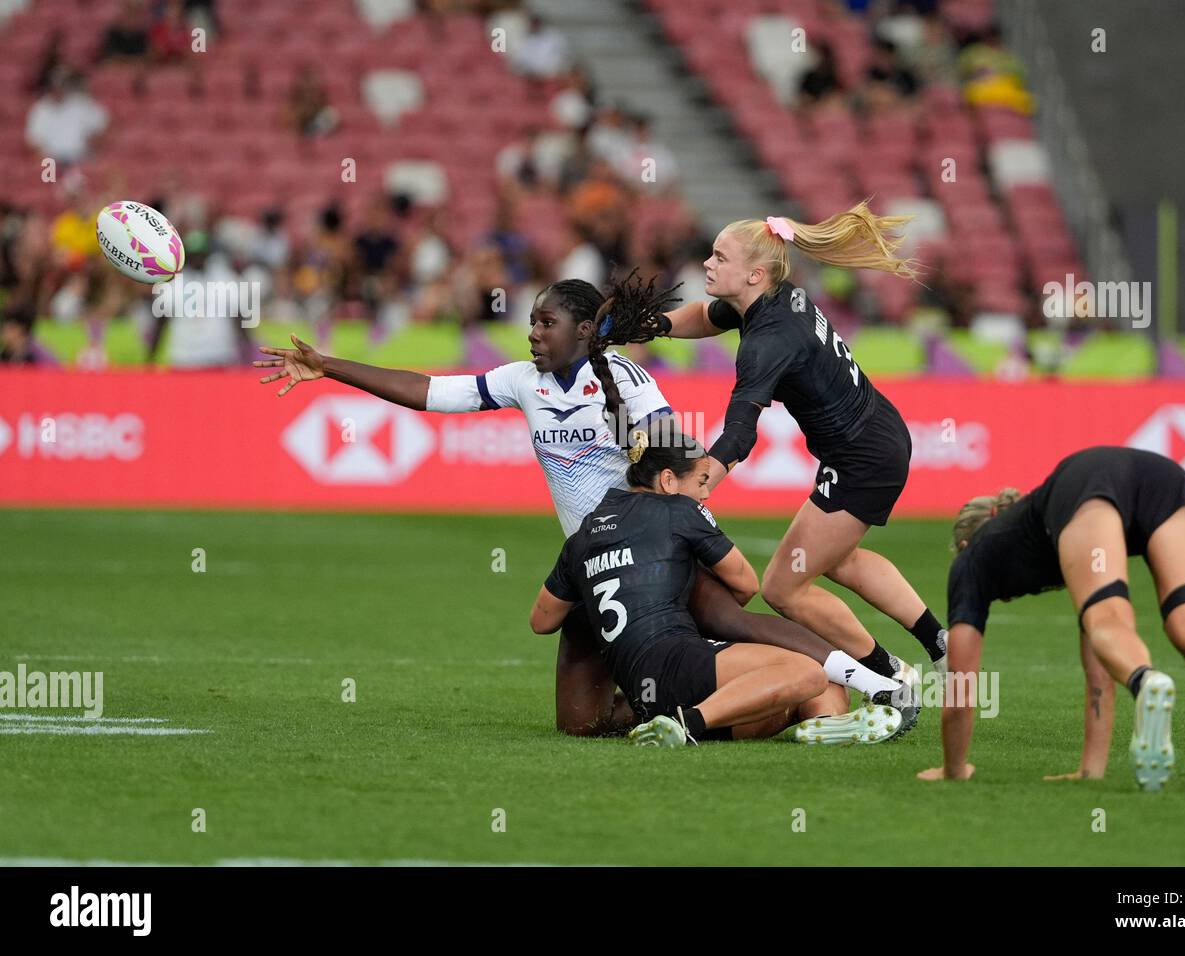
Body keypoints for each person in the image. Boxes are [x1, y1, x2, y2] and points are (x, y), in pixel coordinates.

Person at [254, 276, 900, 736]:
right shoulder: (519, 381)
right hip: (593, 558)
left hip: (657, 545)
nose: (533, 333)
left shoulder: (627, 381)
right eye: (532, 321)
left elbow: (682, 461)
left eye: (546, 322)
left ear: (586, 330)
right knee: (581, 722)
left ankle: (877, 685)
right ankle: (731, 709)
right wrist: (329, 365)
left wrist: (677, 513)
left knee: (735, 619)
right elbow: (430, 392)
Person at [595, 203, 948, 733]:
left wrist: (691, 492)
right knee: (840, 560)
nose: (707, 265)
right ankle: (939, 643)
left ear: (754, 273)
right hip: (875, 437)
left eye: (719, 257)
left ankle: (893, 678)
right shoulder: (770, 299)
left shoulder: (767, 341)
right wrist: (653, 326)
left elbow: (739, 434)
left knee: (784, 587)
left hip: (862, 458)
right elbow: (708, 316)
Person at [918, 446, 1185, 793]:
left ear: (965, 544)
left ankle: (1146, 680)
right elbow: (1098, 667)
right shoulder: (1048, 534)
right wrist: (1091, 769)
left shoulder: (970, 564)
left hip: (1089, 485)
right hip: (1169, 480)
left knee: (1108, 615)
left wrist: (953, 768)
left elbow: (961, 688)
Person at [529, 419, 902, 747]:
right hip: (676, 663)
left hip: (645, 687)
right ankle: (686, 724)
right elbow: (746, 584)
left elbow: (541, 621)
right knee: (807, 672)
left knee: (823, 690)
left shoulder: (581, 536)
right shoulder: (679, 508)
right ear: (668, 480)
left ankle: (824, 727)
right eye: (702, 481)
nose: (706, 494)